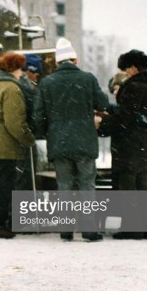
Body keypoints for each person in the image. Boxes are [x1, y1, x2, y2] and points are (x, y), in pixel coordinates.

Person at [34, 38, 109, 241]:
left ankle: (66, 230)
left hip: (59, 142)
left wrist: (43, 132)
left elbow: (38, 115)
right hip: (84, 141)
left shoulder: (46, 82)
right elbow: (103, 103)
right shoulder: (88, 79)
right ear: (75, 60)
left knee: (64, 186)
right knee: (87, 186)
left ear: (58, 62)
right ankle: (89, 229)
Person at [98, 49, 147, 239]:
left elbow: (126, 118)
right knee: (143, 186)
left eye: (125, 68)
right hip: (145, 143)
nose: (124, 72)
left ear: (133, 67)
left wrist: (103, 122)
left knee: (128, 187)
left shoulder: (133, 87)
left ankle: (132, 228)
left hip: (130, 145)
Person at [0, 51, 35, 239]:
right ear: (13, 69)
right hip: (5, 146)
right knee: (4, 188)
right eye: (20, 69)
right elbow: (15, 123)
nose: (22, 73)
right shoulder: (11, 88)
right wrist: (29, 139)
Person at [15, 54, 42, 191]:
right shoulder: (26, 88)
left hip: (17, 137)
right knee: (25, 176)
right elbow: (33, 114)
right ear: (28, 71)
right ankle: (22, 209)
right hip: (24, 137)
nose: (37, 76)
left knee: (20, 176)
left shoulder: (17, 85)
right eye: (36, 73)